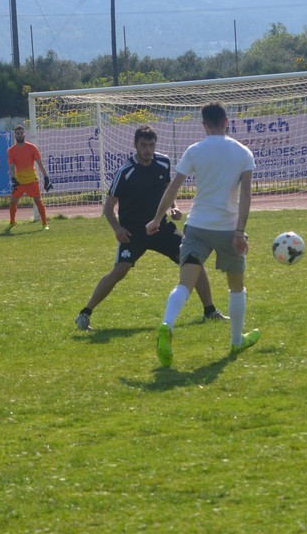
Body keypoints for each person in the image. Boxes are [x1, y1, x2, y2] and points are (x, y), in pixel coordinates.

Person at [75, 125, 227, 330]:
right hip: (134, 232)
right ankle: (84, 313)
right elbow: (108, 207)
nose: (148, 150)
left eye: (151, 145)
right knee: (120, 270)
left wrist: (173, 207)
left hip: (160, 227)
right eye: (143, 145)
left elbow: (167, 190)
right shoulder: (125, 171)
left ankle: (210, 311)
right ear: (135, 145)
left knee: (192, 259)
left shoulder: (163, 162)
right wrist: (117, 229)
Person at [146, 102, 260, 366]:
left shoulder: (194, 150)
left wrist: (156, 219)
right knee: (236, 287)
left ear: (204, 125)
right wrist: (240, 232)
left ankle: (167, 324)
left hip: (197, 226)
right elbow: (246, 194)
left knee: (184, 285)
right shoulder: (243, 152)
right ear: (227, 122)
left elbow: (172, 189)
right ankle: (236, 341)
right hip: (228, 228)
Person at [6, 125, 52, 231]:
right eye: (18, 133)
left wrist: (46, 178)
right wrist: (13, 179)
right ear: (15, 135)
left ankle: (45, 224)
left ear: (24, 134)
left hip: (32, 180)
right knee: (12, 202)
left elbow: (39, 163)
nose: (20, 135)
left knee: (38, 201)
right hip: (19, 181)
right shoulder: (11, 150)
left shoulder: (32, 147)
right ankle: (12, 222)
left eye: (21, 133)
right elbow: (11, 167)